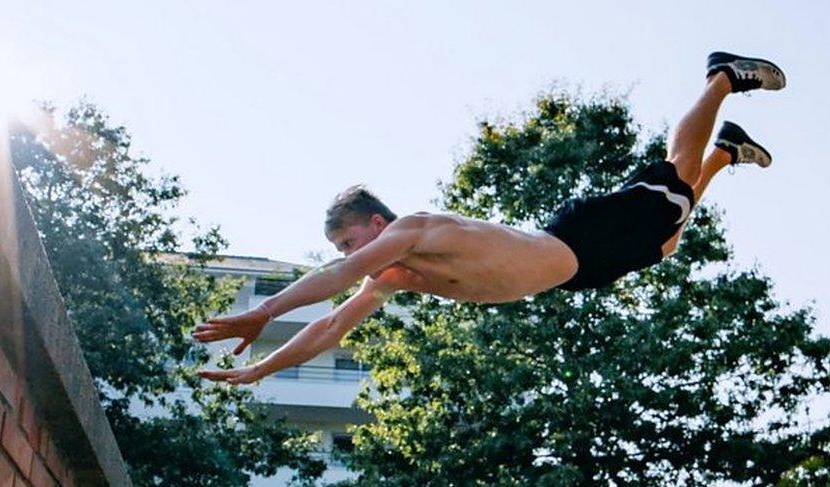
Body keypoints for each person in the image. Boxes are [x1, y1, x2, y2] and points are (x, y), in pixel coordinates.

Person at [195, 51, 785, 385]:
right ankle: (727, 151)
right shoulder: (396, 274)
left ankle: (722, 77)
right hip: (575, 272)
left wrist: (265, 310)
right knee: (667, 240)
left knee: (675, 179)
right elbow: (330, 328)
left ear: (376, 225)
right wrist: (262, 368)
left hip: (575, 240)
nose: (351, 256)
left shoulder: (412, 231)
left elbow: (333, 277)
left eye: (351, 241)